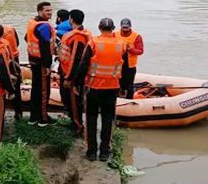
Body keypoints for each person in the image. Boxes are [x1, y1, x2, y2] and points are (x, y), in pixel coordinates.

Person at [73, 18, 125, 162]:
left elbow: (83, 65)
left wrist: (77, 83)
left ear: (99, 28)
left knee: (91, 119)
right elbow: (126, 69)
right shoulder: (121, 45)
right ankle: (104, 152)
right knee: (108, 119)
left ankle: (91, 152)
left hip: (93, 88)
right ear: (113, 28)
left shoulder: (93, 43)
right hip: (112, 88)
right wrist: (125, 87)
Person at [58, 9, 92, 135]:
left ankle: (77, 126)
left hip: (72, 75)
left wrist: (69, 78)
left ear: (71, 19)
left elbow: (76, 59)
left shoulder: (78, 37)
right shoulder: (79, 34)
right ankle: (74, 121)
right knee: (66, 98)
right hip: (66, 71)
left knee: (73, 101)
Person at [25, 1, 55, 126]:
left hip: (33, 60)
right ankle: (43, 119)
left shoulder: (32, 23)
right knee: (43, 91)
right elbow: (45, 48)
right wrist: (48, 66)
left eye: (50, 10)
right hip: (42, 63)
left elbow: (27, 37)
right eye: (46, 11)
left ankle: (33, 117)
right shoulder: (43, 27)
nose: (49, 13)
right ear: (39, 11)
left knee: (35, 89)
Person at [0, 16, 23, 120]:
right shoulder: (11, 29)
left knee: (2, 84)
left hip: (3, 60)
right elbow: (17, 42)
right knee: (16, 85)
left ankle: (1, 113)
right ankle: (18, 112)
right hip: (14, 59)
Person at [116, 18, 144, 99]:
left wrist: (130, 49)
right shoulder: (115, 34)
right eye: (123, 27)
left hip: (130, 66)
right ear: (121, 27)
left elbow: (140, 51)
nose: (125, 29)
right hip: (118, 64)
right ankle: (117, 98)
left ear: (130, 27)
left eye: (126, 27)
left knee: (129, 85)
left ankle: (129, 100)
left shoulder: (136, 36)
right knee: (117, 84)